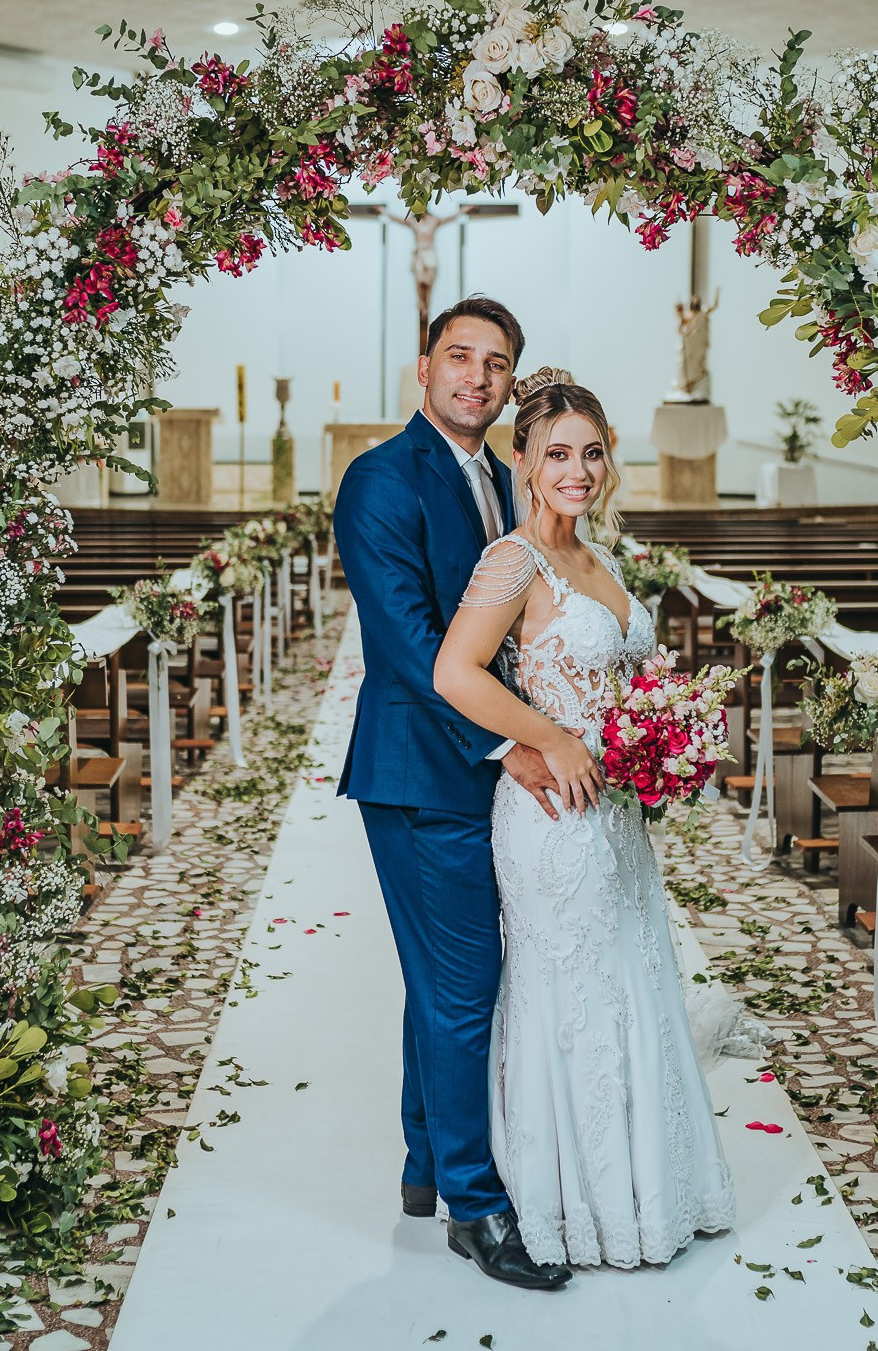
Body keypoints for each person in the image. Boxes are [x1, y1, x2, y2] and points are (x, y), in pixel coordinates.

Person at [433, 368, 736, 1269]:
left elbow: (624, 676)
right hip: (555, 816)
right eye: (557, 453)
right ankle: (571, 1206)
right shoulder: (514, 559)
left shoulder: (596, 557)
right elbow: (456, 672)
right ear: (521, 459)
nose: (577, 469)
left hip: (617, 813)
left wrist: (664, 732)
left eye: (591, 452)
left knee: (631, 978)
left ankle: (649, 1193)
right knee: (570, 994)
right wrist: (553, 741)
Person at [331, 295, 574, 1290]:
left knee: (443, 979)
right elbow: (406, 643)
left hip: (466, 763)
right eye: (459, 357)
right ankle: (477, 1207)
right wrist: (506, 748)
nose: (476, 376)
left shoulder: (497, 478)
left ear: (510, 383)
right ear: (421, 369)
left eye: (496, 362)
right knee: (465, 987)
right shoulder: (381, 479)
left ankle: (426, 1160)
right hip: (422, 773)